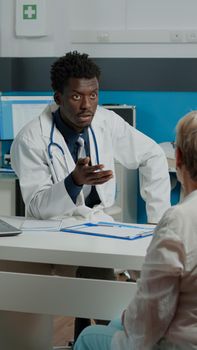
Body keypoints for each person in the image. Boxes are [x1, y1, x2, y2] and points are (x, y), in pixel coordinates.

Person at [10, 51, 170, 341]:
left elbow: (153, 155)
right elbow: (37, 206)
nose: (87, 106)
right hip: (57, 230)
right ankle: (110, 336)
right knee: (104, 288)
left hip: (101, 226)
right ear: (58, 98)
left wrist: (156, 223)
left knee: (137, 278)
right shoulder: (31, 138)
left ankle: (102, 335)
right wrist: (73, 183)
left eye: (93, 95)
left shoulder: (106, 122)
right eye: (76, 97)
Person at [74, 110, 197, 350]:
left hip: (179, 343)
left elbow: (150, 319)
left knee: (89, 336)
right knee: (113, 324)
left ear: (178, 157)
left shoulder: (179, 220)